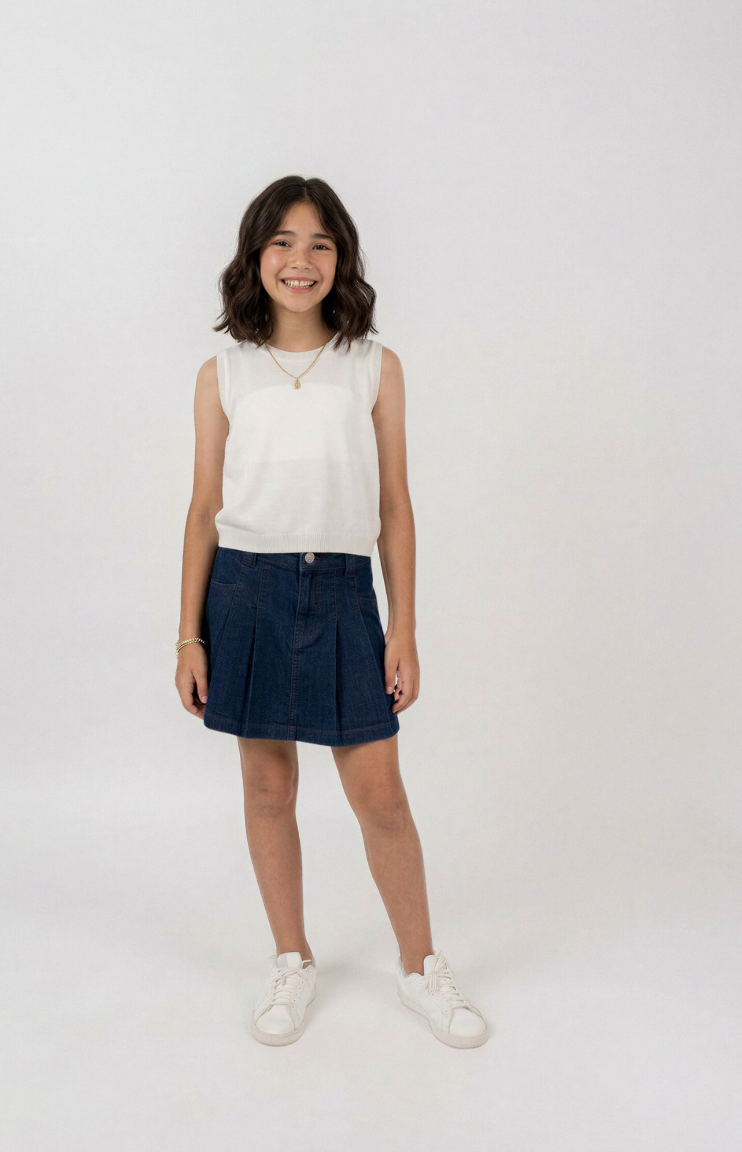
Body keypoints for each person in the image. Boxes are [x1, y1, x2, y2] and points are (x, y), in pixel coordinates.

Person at [175, 175, 489, 1049]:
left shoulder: (374, 367)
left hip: (346, 593)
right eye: (281, 241)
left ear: (341, 256)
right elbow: (202, 511)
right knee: (267, 786)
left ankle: (422, 968)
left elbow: (395, 506)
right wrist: (189, 634)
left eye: (319, 242)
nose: (300, 260)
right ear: (255, 256)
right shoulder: (223, 372)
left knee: (379, 795)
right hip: (245, 590)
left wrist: (404, 626)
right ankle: (292, 959)